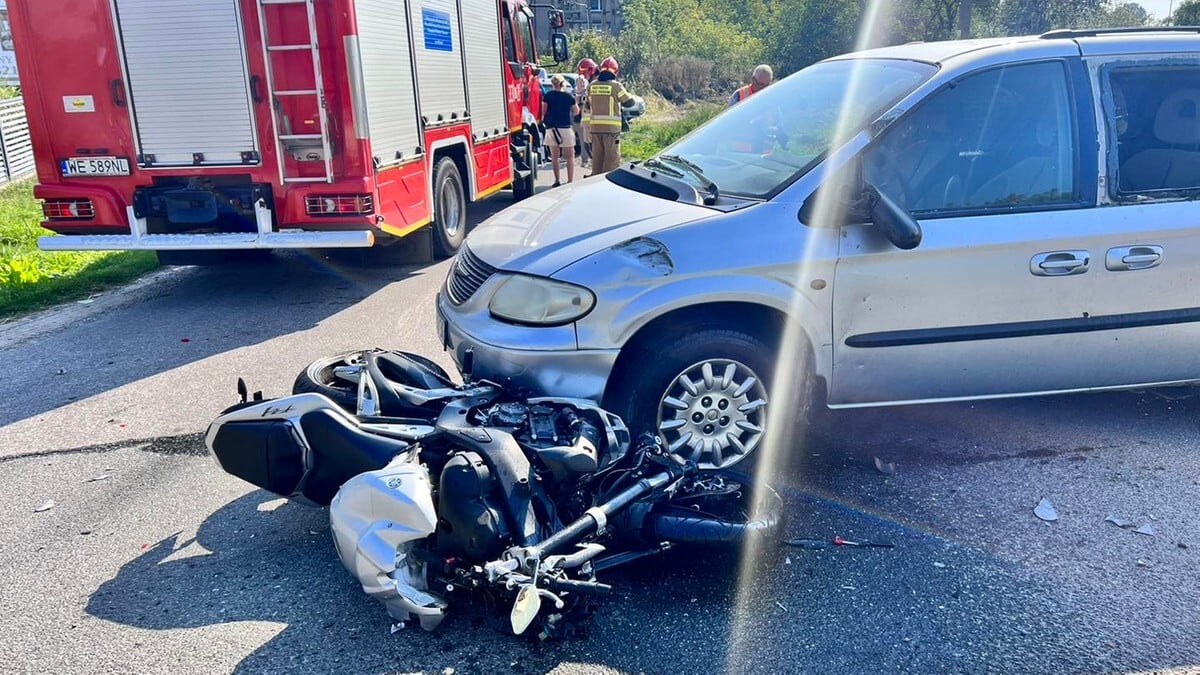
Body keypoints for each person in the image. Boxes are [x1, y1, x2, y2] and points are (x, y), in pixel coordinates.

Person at [587, 56, 639, 175]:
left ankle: (595, 184)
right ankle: (608, 187)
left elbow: (588, 104)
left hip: (595, 129)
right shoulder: (616, 86)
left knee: (597, 161)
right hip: (611, 130)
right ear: (616, 71)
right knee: (611, 162)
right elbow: (629, 103)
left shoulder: (592, 85)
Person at [541, 74, 579, 187]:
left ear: (552, 84)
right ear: (563, 84)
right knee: (570, 156)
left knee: (555, 156)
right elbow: (576, 111)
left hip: (552, 129)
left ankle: (557, 180)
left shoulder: (548, 96)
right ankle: (570, 180)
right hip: (565, 128)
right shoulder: (568, 97)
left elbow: (544, 111)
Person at [574, 58, 597, 168]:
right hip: (587, 119)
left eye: (585, 71)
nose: (583, 75)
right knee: (587, 143)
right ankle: (590, 165)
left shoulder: (596, 82)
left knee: (593, 144)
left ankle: (594, 166)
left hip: (596, 119)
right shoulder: (587, 82)